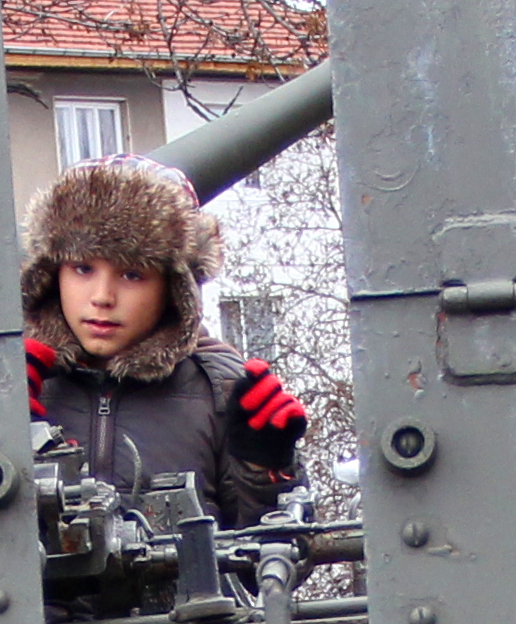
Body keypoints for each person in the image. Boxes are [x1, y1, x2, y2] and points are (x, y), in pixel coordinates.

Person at [22, 157, 311, 527]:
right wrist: (2, 441)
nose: (102, 297)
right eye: (83, 268)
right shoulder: (5, 382)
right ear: (52, 271)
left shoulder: (221, 391)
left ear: (175, 287)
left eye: (132, 273)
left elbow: (274, 568)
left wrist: (266, 473)